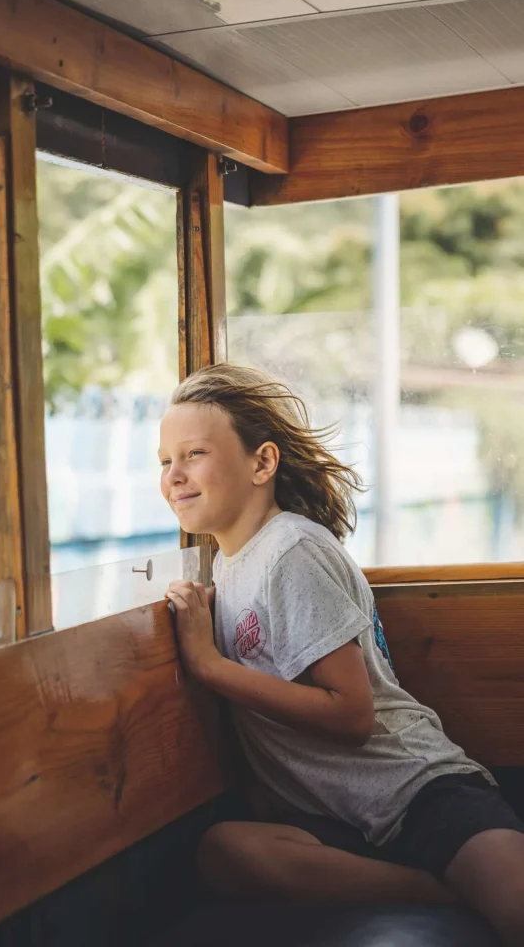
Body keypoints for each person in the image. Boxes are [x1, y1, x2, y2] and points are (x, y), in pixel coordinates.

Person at [159, 362, 524, 946]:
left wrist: (209, 666)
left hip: (420, 794)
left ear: (263, 463)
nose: (174, 475)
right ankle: (441, 890)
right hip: (335, 822)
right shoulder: (229, 565)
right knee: (224, 851)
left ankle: (465, 882)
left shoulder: (290, 550)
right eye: (164, 461)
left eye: (194, 454)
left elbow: (351, 714)